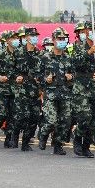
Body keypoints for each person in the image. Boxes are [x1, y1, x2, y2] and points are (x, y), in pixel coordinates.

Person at [38, 27, 75, 156]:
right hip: (50, 94)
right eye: (59, 39)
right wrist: (45, 79)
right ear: (53, 40)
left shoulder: (68, 58)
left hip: (65, 93)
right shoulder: (45, 57)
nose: (62, 41)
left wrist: (71, 77)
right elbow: (37, 75)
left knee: (65, 121)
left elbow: (74, 74)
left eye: (64, 39)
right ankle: (43, 134)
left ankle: (58, 145)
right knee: (51, 120)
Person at [71, 20, 95, 158]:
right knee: (85, 116)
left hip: (94, 87)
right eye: (90, 30)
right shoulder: (78, 47)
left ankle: (86, 147)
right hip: (81, 87)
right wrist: (89, 52)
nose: (93, 32)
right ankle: (78, 138)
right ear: (85, 31)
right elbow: (74, 63)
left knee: (94, 120)